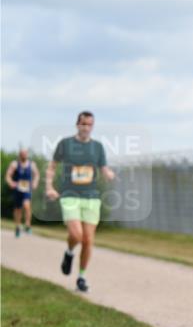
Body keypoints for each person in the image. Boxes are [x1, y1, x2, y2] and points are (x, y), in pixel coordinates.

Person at [45, 111, 115, 292]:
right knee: (77, 235)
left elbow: (103, 167)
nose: (86, 127)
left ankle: (81, 277)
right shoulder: (65, 144)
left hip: (91, 198)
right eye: (83, 124)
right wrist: (49, 187)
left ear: (93, 126)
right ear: (77, 124)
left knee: (88, 240)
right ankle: (69, 253)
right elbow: (52, 167)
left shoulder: (98, 147)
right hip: (70, 196)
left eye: (89, 124)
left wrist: (108, 173)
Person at [6, 148, 40, 237]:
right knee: (18, 209)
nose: (24, 155)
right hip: (18, 189)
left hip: (27, 189)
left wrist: (35, 183)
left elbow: (36, 175)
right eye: (22, 153)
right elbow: (8, 175)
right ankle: (17, 226)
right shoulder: (14, 164)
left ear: (27, 154)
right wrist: (11, 182)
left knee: (27, 205)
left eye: (25, 153)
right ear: (20, 154)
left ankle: (27, 225)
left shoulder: (32, 164)